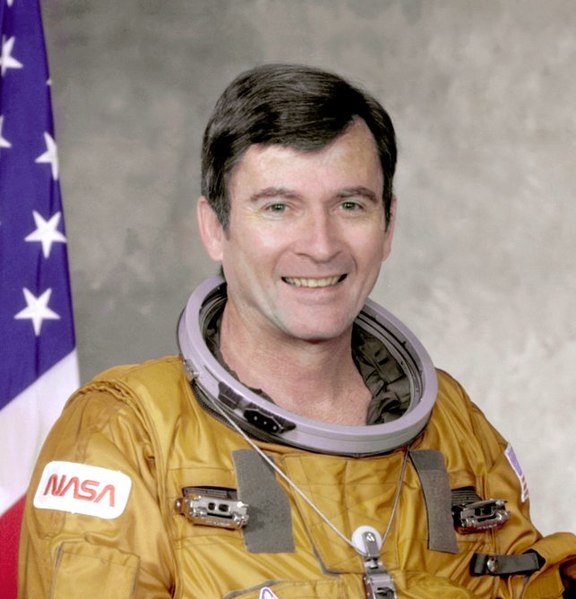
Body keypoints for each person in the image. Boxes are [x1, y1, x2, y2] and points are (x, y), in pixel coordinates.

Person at [19, 64, 576, 598]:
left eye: (350, 205)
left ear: (387, 227)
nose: (320, 245)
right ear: (214, 228)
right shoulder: (128, 433)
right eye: (279, 207)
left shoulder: (454, 424)